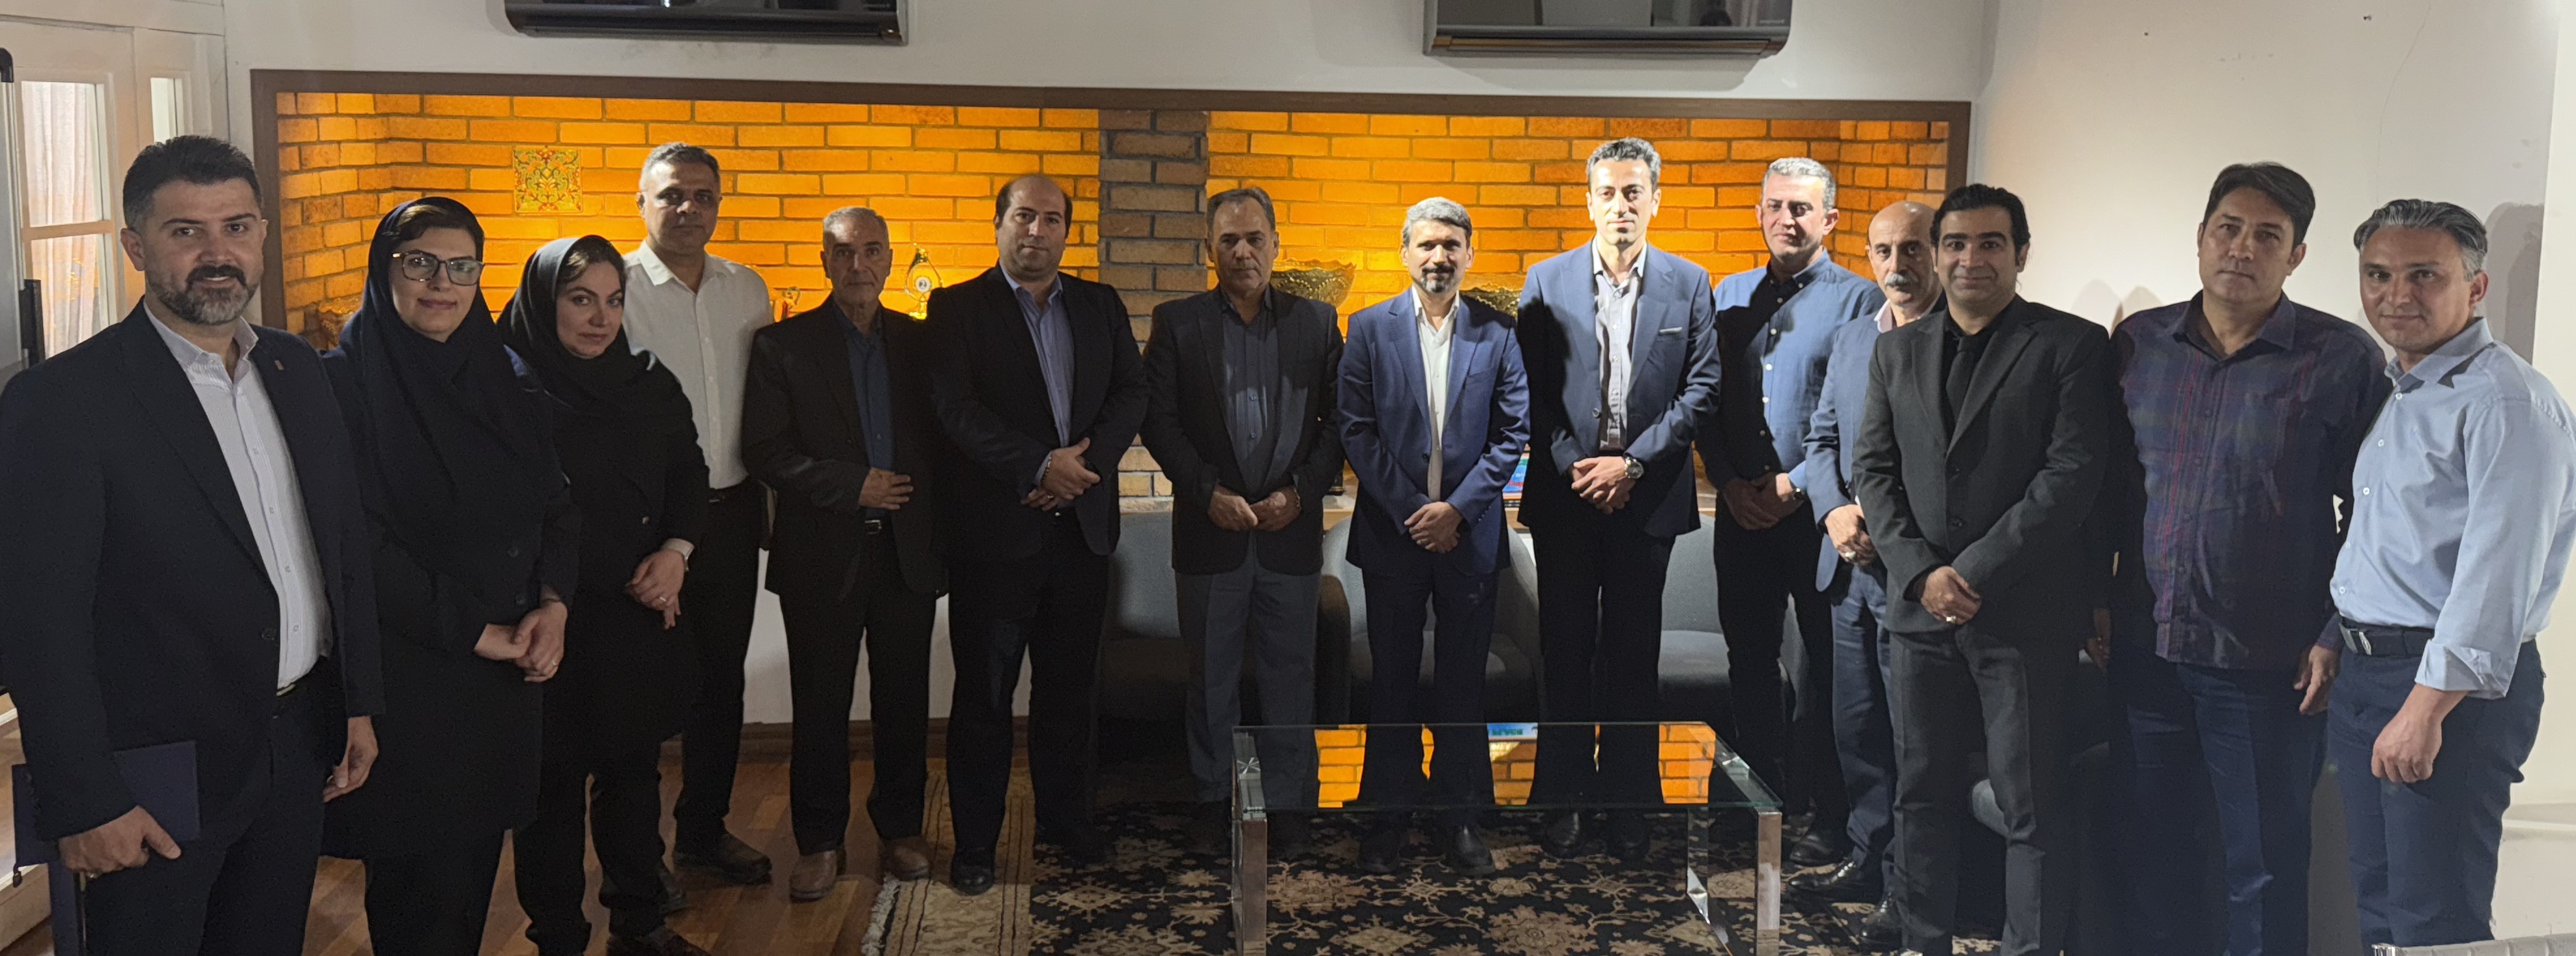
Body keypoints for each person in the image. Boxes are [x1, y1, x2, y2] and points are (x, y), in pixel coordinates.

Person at [0, 135, 383, 954]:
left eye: (236, 227)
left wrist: (356, 701)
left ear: (262, 234)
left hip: (295, 744)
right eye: (186, 232)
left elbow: (339, 549)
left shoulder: (297, 370)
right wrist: (86, 799)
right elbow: (37, 624)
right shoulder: (62, 401)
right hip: (153, 773)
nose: (217, 254)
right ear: (136, 247)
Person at [2104, 164, 2387, 956]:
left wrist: (2332, 632)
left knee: (2261, 867)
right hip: (2146, 649)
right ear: (2200, 237)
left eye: (2267, 236)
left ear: (2295, 256)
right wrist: (2096, 595)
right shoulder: (2138, 345)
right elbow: (2107, 490)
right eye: (2227, 228)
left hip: (2267, 663)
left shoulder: (2339, 358)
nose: (2241, 248)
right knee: (2150, 851)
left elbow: (2374, 512)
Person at [1850, 184, 2113, 956]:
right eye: (1955, 243)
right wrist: (1920, 573)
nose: (1971, 258)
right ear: (1937, 256)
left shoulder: (2069, 345)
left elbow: (2070, 476)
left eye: (1990, 243)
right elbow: (1873, 471)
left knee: (2028, 807)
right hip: (1918, 613)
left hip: (2022, 615)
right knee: (1919, 794)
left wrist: (1970, 574)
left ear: (2020, 253)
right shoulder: (1894, 350)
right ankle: (1920, 941)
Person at [321, 196, 577, 954]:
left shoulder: (504, 375)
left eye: (462, 267)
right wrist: (475, 632)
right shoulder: (343, 384)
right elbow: (357, 545)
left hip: (504, 673)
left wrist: (554, 604)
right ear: (385, 270)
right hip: (414, 675)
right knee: (420, 896)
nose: (442, 283)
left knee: (470, 879)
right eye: (421, 263)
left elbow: (557, 505)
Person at [2329, 199, 2570, 948]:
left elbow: (2496, 578)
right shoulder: (2401, 390)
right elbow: (2387, 543)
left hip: (2445, 689)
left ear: (2474, 287)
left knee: (2434, 921)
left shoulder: (2505, 402)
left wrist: (2424, 710)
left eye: (2422, 275)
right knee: (2378, 903)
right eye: (2377, 274)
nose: (2394, 295)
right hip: (2368, 673)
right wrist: (2335, 637)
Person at [929, 174, 1146, 895]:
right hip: (995, 538)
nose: (1036, 231)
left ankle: (1064, 821)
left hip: (1080, 536)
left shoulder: (1099, 304)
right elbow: (954, 410)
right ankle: (976, 843)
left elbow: (1132, 392)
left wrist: (1080, 468)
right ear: (998, 224)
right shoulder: (956, 308)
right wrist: (1036, 464)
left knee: (1069, 694)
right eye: (1023, 216)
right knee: (984, 698)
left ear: (1065, 232)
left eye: (1051, 219)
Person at [500, 235, 713, 956]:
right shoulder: (504, 388)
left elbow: (688, 475)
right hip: (547, 614)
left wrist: (675, 554)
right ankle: (558, 937)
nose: (600, 319)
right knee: (550, 790)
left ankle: (639, 923)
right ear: (543, 302)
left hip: (635, 609)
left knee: (632, 774)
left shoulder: (646, 381)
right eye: (581, 299)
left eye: (613, 301)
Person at [1516, 137, 1722, 861]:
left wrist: (1631, 465)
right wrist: (1578, 467)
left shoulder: (1689, 283)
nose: (1619, 206)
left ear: (1654, 201)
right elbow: (1529, 390)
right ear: (1588, 201)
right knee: (1564, 653)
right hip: (1568, 497)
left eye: (1633, 193)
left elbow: (1702, 387)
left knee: (1634, 657)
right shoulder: (1544, 280)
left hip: (1646, 498)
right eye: (1606, 193)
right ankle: (1562, 799)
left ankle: (1630, 802)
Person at [742, 207, 946, 897]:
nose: (858, 265)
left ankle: (901, 828)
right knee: (820, 705)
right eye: (843, 252)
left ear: (889, 259)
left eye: (871, 250)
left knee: (904, 701)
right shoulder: (781, 346)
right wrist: (850, 484)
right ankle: (820, 841)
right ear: (824, 261)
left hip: (908, 552)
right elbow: (763, 450)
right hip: (820, 554)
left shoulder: (923, 344)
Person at [1141, 186, 1344, 860]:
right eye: (1228, 240)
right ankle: (1212, 799)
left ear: (1275, 245)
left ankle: (1289, 806)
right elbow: (1158, 421)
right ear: (1209, 250)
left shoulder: (1318, 323)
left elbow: (1339, 423)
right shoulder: (1177, 323)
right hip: (1211, 534)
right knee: (1210, 680)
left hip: (1289, 533)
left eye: (1255, 238)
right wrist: (1207, 493)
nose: (1242, 251)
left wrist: (1300, 493)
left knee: (1292, 677)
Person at [1340, 197, 1530, 876]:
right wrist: (1415, 510)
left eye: (1451, 245)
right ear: (1404, 253)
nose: (1438, 257)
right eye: (1426, 245)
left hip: (1468, 537)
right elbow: (1355, 428)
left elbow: (1512, 431)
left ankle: (1460, 816)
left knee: (1461, 684)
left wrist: (1456, 511)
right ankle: (1386, 815)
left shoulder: (1498, 333)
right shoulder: (1367, 329)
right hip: (1392, 536)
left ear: (1469, 254)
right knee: (1390, 682)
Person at [1705, 157, 1885, 867]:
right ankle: (1757, 801)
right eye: (1775, 206)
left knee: (1827, 671)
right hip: (1740, 515)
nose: (1787, 219)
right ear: (1758, 214)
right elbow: (1707, 402)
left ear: (1829, 220)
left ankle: (1825, 812)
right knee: (1747, 662)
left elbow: (1860, 418)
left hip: (1819, 520)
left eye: (1802, 208)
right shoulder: (1726, 296)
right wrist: (1727, 482)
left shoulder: (1861, 302)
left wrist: (1795, 486)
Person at [624, 141, 777, 889]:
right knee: (643, 691)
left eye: (703, 196)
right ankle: (637, 860)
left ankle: (703, 833)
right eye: (672, 195)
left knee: (721, 683)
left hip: (733, 512)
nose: (688, 208)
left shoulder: (746, 289)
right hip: (646, 524)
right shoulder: (613, 288)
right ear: (642, 203)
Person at [1789, 199, 1939, 948]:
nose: (1896, 265)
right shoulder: (1853, 338)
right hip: (1846, 568)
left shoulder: (1960, 340)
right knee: (1857, 727)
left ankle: (1912, 890)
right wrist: (1833, 512)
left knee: (1917, 742)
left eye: (1912, 249)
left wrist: (1893, 530)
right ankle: (1865, 856)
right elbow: (1821, 439)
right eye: (1883, 250)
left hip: (1915, 577)